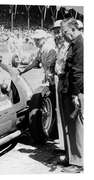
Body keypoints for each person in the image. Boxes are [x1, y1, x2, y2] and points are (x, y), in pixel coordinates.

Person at [58, 18, 84, 173]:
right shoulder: (74, 44)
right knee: (70, 126)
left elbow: (79, 71)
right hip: (69, 89)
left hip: (75, 91)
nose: (64, 36)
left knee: (76, 126)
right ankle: (71, 157)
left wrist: (77, 93)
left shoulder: (80, 44)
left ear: (74, 29)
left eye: (65, 32)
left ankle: (78, 161)